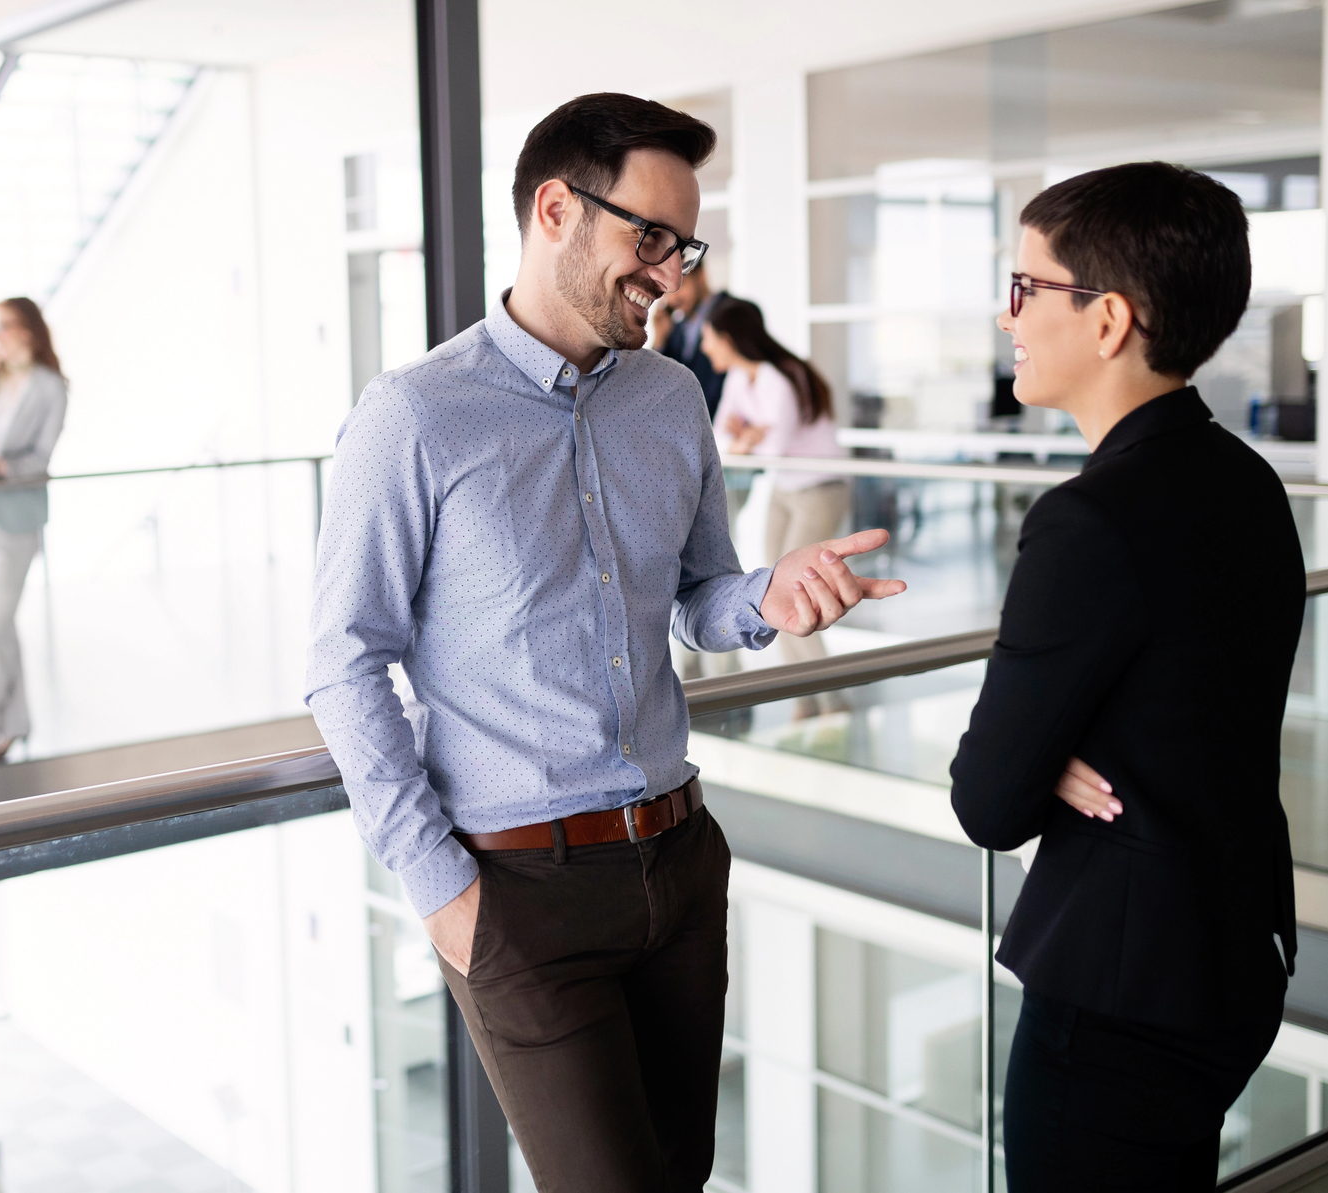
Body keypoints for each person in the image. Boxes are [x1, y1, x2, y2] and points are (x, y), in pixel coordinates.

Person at [305, 92, 905, 1192]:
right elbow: (343, 660)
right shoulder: (415, 415)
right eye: (648, 237)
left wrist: (773, 596)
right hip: (518, 892)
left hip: (678, 861)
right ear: (552, 209)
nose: (670, 272)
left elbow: (699, 596)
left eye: (683, 244)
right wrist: (439, 886)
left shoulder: (671, 398)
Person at [948, 162, 1302, 1191]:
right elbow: (1187, 700)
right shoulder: (1242, 478)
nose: (1004, 311)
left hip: (1116, 995)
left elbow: (986, 800)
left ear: (1107, 319)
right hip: (1229, 957)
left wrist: (1038, 747)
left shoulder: (1087, 519)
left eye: (1025, 287)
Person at [702, 297, 850, 698]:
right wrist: (749, 436)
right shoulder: (739, 379)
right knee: (775, 593)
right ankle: (804, 699)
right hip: (785, 489)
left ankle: (833, 701)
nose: (704, 348)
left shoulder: (778, 380)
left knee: (804, 600)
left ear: (729, 338)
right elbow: (719, 440)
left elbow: (774, 449)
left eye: (709, 338)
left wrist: (750, 438)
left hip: (820, 490)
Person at [0, 298, 69, 764]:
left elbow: (41, 459)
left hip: (16, 518)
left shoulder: (51, 387)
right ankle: (15, 725)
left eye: (3, 327)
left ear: (28, 330)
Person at [649, 258, 729, 417]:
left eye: (679, 285)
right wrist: (660, 341)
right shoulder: (674, 330)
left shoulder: (734, 315)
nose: (672, 299)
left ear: (701, 275)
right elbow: (656, 391)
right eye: (666, 291)